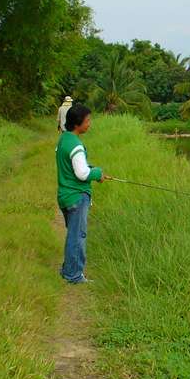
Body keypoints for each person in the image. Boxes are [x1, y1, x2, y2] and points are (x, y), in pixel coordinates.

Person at [56, 104, 110, 283]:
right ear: (77, 123)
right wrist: (97, 173)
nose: (90, 124)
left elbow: (75, 168)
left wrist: (92, 169)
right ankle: (74, 275)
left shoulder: (64, 139)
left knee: (73, 234)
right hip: (76, 197)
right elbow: (82, 174)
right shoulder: (76, 145)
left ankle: (68, 270)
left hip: (65, 196)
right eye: (87, 121)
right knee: (77, 236)